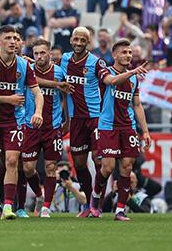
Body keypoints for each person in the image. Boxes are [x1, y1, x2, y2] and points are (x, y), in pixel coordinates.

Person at [0, 25, 44, 220]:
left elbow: (37, 93)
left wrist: (38, 112)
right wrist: (9, 99)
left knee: (12, 161)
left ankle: (7, 206)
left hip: (15, 121)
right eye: (9, 38)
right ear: (0, 41)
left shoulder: (24, 66)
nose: (13, 41)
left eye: (16, 38)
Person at [89, 39, 151, 221]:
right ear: (114, 54)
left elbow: (137, 104)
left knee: (127, 167)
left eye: (130, 52)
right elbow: (111, 81)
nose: (128, 55)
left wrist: (145, 131)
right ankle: (95, 198)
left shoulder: (133, 79)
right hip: (108, 126)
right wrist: (132, 71)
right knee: (107, 168)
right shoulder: (106, 70)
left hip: (128, 127)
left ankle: (120, 210)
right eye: (124, 52)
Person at [60, 27, 108, 217]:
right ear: (71, 40)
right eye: (76, 39)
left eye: (83, 40)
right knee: (79, 164)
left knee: (99, 161)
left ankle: (98, 202)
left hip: (95, 117)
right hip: (76, 120)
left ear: (88, 42)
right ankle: (89, 203)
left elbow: (108, 84)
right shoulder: (64, 60)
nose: (79, 43)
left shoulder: (96, 63)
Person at [22, 39, 66, 218]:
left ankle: (46, 206)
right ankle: (39, 196)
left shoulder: (58, 71)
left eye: (42, 53)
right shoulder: (27, 70)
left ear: (50, 54)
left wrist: (67, 120)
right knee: (28, 168)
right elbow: (35, 80)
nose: (39, 56)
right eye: (36, 54)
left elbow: (66, 96)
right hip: (31, 125)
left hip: (52, 126)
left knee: (50, 166)